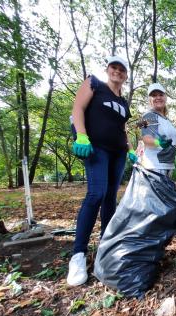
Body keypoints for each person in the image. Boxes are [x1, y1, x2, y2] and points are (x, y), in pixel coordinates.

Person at [67, 55, 137, 286]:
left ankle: (106, 247)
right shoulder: (94, 84)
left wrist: (130, 150)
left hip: (117, 153)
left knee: (110, 199)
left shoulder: (124, 103)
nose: (117, 71)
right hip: (96, 148)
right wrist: (81, 135)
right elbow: (78, 107)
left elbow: (122, 128)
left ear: (125, 75)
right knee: (96, 194)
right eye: (114, 67)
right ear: (108, 70)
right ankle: (78, 255)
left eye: (121, 69)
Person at [140, 83, 176, 177]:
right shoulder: (149, 116)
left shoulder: (166, 119)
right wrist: (159, 142)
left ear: (165, 97)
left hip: (168, 166)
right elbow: (146, 139)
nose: (158, 97)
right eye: (154, 95)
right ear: (150, 100)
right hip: (154, 167)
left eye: (161, 95)